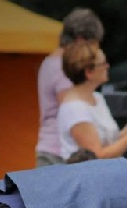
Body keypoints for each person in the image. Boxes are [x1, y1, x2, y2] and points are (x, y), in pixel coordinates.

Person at [58, 40, 127, 161]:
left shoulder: (97, 97)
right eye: (102, 64)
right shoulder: (74, 109)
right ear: (89, 72)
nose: (107, 66)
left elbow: (108, 143)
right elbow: (97, 155)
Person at [35, 7, 104, 167]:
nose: (95, 50)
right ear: (80, 39)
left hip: (48, 149)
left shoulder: (49, 61)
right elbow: (71, 111)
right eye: (93, 43)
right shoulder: (63, 68)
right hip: (58, 153)